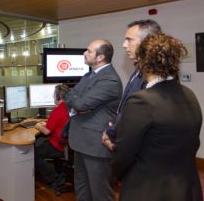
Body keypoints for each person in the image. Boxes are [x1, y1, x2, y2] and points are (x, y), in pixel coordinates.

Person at [111, 33, 203, 201]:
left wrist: (113, 156)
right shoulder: (189, 94)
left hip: (150, 190)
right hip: (188, 188)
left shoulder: (141, 101)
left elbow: (123, 154)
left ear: (143, 62)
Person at [65, 39, 122, 201]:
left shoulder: (110, 79)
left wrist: (75, 99)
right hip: (81, 142)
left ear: (100, 57)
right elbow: (72, 96)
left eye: (89, 51)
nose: (84, 53)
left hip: (96, 145)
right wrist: (74, 99)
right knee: (82, 190)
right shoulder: (89, 75)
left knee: (100, 194)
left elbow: (80, 103)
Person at [102, 19, 162, 149]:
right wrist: (112, 128)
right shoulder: (139, 70)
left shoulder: (155, 76)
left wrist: (115, 136)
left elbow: (139, 117)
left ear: (147, 42)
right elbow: (125, 107)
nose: (124, 45)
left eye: (129, 40)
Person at [34, 84, 70, 188]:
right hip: (67, 144)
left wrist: (37, 125)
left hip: (58, 145)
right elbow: (57, 124)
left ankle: (53, 179)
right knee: (40, 143)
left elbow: (46, 132)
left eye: (54, 95)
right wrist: (46, 124)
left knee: (35, 153)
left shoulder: (57, 110)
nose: (53, 97)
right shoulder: (69, 107)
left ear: (58, 97)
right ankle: (59, 173)